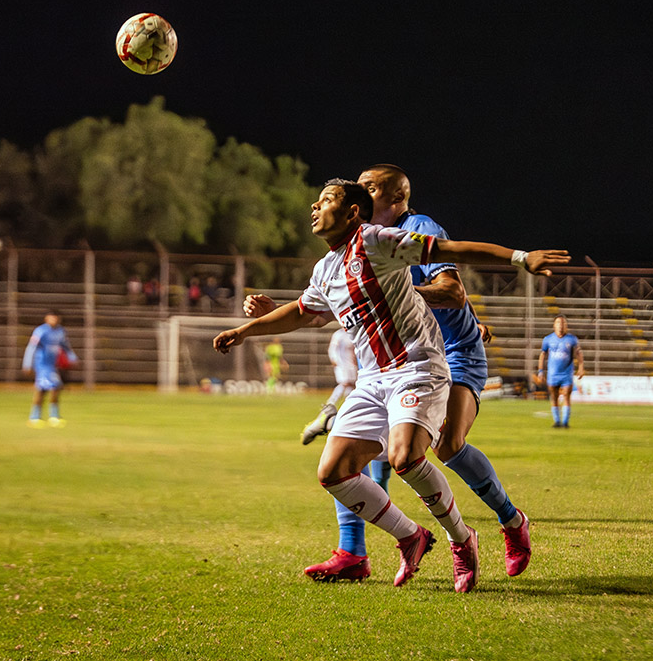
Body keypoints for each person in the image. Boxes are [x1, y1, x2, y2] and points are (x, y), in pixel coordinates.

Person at [215, 178, 568, 592]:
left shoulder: (382, 240)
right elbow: (302, 311)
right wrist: (245, 330)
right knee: (334, 471)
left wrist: (520, 258)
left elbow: (454, 255)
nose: (314, 206)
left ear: (353, 212)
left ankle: (463, 538)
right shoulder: (325, 268)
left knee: (410, 455)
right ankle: (409, 537)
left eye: (326, 200)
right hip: (372, 379)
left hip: (419, 365)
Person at [300, 328, 357, 445]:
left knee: (352, 386)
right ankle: (330, 405)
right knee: (344, 384)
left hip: (352, 364)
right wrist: (334, 359)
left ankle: (345, 407)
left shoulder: (353, 333)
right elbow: (333, 348)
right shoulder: (339, 334)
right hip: (342, 364)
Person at [22, 310, 78, 428]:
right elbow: (31, 347)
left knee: (48, 389)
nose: (54, 320)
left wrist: (72, 357)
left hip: (52, 365)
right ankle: (42, 417)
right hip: (42, 364)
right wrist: (27, 364)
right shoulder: (41, 331)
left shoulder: (60, 331)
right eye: (51, 318)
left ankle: (44, 417)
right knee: (51, 388)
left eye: (56, 318)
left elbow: (65, 346)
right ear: (46, 319)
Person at [537, 314, 585, 428]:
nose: (561, 326)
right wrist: (540, 371)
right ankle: (557, 421)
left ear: (566, 326)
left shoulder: (572, 339)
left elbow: (579, 353)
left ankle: (565, 422)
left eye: (563, 323)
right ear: (554, 325)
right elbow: (542, 354)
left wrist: (581, 367)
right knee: (554, 397)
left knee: (567, 396)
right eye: (558, 323)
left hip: (566, 373)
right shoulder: (548, 339)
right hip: (553, 374)